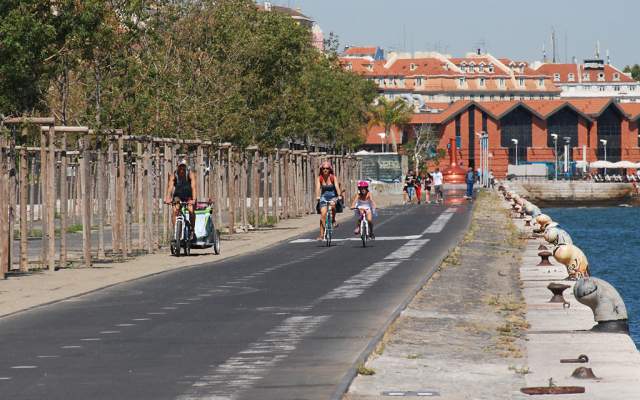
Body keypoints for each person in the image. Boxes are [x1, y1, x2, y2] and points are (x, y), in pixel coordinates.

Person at [165, 159, 197, 237]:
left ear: (186, 167)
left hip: (188, 195)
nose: (182, 169)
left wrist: (194, 199)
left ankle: (192, 229)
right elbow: (170, 187)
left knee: (191, 210)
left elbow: (193, 187)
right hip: (178, 195)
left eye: (183, 167)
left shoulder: (190, 174)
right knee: (175, 211)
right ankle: (176, 229)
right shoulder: (174, 175)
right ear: (177, 167)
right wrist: (167, 198)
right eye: (180, 167)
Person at [315, 161, 342, 240]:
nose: (325, 170)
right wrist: (317, 196)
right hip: (323, 197)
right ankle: (322, 234)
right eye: (323, 168)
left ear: (330, 169)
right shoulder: (319, 178)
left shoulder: (333, 177)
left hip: (333, 196)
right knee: (323, 215)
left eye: (327, 168)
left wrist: (339, 195)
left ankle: (333, 220)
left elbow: (337, 187)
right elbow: (317, 188)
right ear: (321, 169)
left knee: (333, 206)